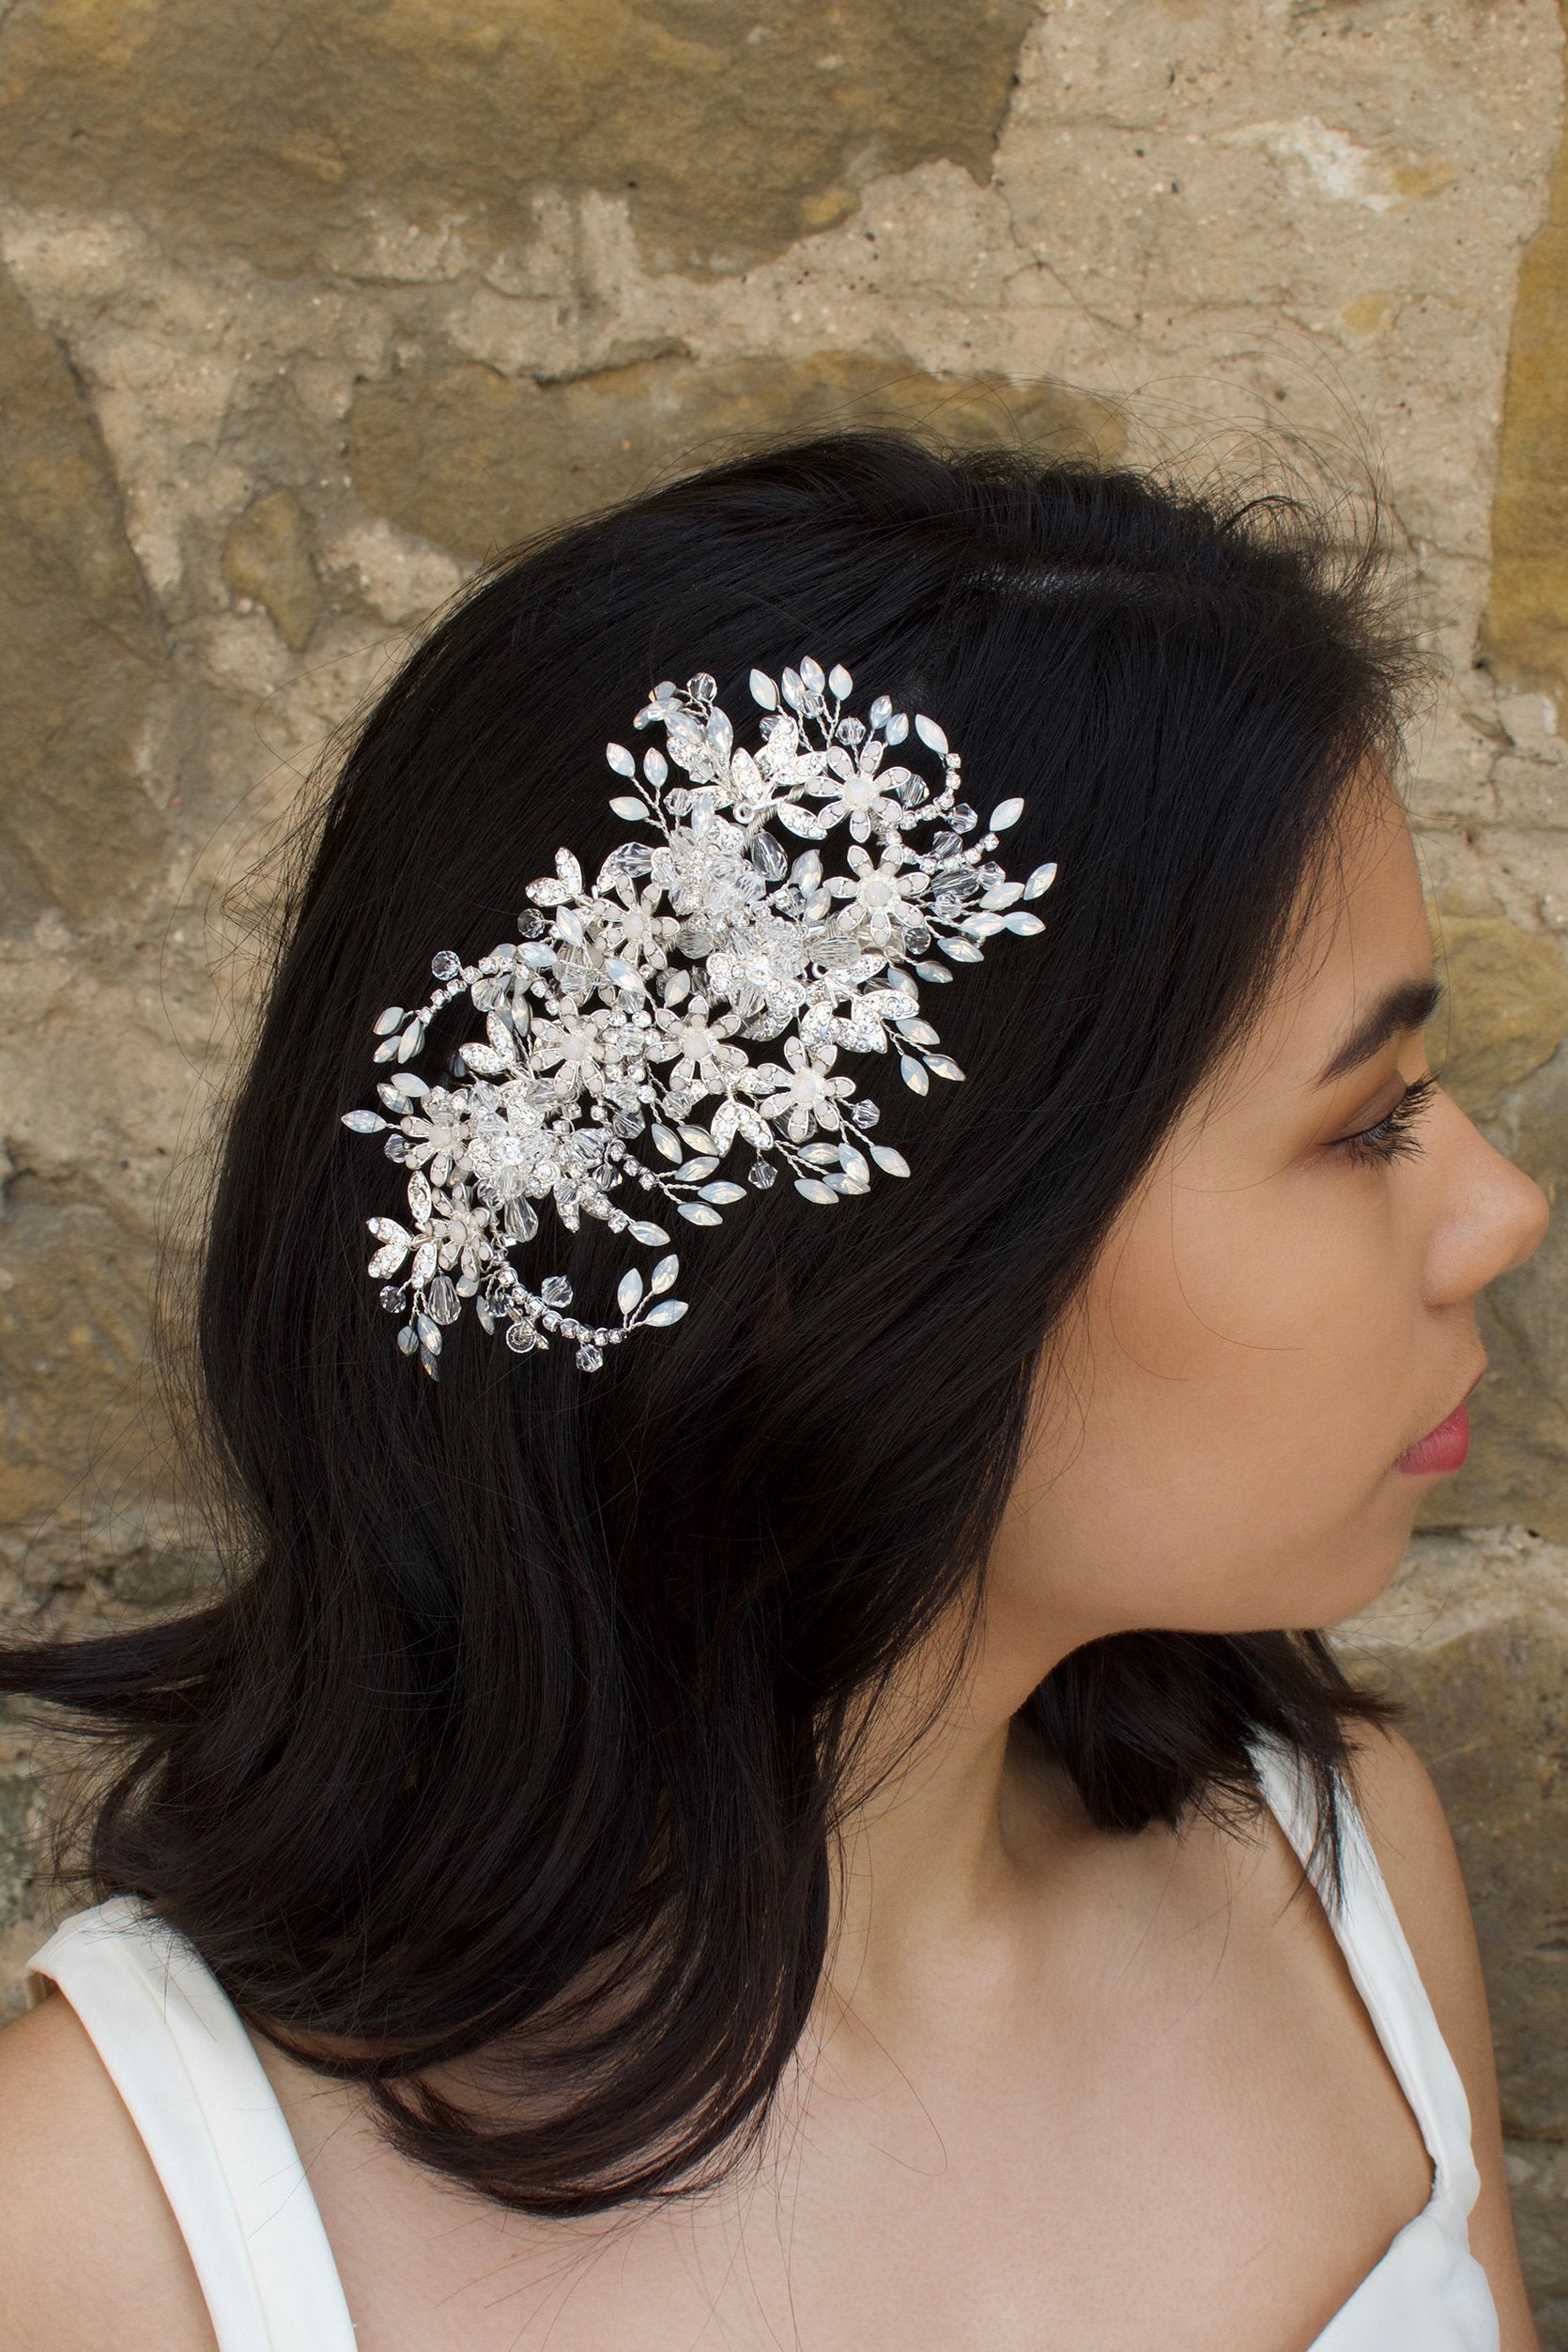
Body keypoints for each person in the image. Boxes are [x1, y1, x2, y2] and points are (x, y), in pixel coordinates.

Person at [0, 432, 1549, 2352]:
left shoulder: (1335, 1872)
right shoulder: (107, 2236)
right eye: (1366, 1117)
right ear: (845, 1279)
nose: (1498, 1205)